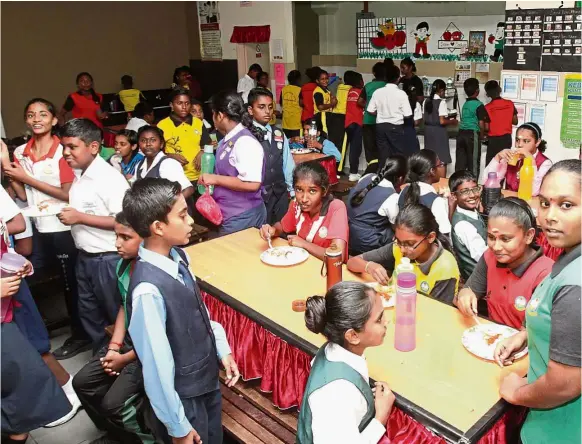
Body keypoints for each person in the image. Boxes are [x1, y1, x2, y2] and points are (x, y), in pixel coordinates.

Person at [123, 178, 240, 444]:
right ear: (158, 227)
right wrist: (178, 427)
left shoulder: (179, 257)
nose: (190, 222)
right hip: (182, 399)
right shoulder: (148, 290)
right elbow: (156, 365)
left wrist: (222, 348)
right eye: (183, 215)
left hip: (205, 382)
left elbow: (198, 313)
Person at [495, 160, 581, 444]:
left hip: (560, 431)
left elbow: (564, 385)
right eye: (544, 204)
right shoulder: (569, 256)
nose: (550, 216)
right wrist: (527, 334)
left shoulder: (575, 285)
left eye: (566, 205)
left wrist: (515, 392)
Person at [3, 98, 92, 359]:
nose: (37, 119)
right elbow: (22, 192)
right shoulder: (20, 152)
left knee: (71, 284)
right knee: (28, 275)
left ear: (54, 120)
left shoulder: (62, 151)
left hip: (63, 225)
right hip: (37, 226)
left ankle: (81, 335)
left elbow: (67, 194)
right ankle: (38, 332)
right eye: (31, 115)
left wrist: (26, 178)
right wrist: (11, 172)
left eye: (43, 114)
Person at [1, 188, 81, 432]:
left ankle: (65, 394)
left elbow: (15, 224)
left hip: (8, 283)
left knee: (31, 339)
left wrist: (11, 256)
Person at [72, 212, 156, 444]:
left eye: (125, 237)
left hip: (148, 350)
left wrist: (125, 358)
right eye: (116, 235)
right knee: (82, 383)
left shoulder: (154, 274)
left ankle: (147, 438)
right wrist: (114, 347)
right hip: (130, 342)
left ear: (147, 237)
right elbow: (124, 307)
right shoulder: (123, 266)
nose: (117, 243)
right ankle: (116, 433)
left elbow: (160, 337)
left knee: (114, 404)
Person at [56, 118, 130, 351]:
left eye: (72, 147)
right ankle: (102, 359)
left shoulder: (109, 179)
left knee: (113, 313)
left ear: (93, 147)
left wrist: (79, 218)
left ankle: (122, 360)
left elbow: (124, 221)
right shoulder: (79, 174)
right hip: (86, 257)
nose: (66, 153)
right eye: (63, 147)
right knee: (89, 312)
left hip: (107, 258)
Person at [296, 281, 395, 443]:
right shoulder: (337, 393)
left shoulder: (333, 350)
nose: (386, 321)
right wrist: (380, 417)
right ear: (353, 336)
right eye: (379, 319)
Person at [455, 197, 553, 328]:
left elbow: (543, 330)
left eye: (505, 239)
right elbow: (469, 290)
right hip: (490, 339)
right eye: (491, 237)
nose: (496, 247)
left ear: (529, 235)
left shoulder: (546, 273)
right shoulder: (490, 257)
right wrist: (465, 294)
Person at [347, 204, 459, 303]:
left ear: (430, 237)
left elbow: (437, 313)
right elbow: (352, 262)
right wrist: (369, 266)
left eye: (410, 244)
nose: (402, 250)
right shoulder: (398, 247)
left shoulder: (445, 268)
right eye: (399, 241)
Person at [198, 90, 266, 235]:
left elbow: (252, 183)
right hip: (229, 213)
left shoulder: (244, 141)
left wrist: (215, 179)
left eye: (213, 114)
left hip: (243, 215)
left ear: (220, 115)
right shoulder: (227, 139)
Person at [259, 161, 349, 261]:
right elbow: (283, 226)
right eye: (299, 190)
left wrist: (304, 244)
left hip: (328, 271)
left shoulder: (336, 208)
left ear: (324, 191)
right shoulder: (296, 204)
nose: (304, 199)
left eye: (312, 191)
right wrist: (273, 230)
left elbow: (337, 256)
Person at [248, 88, 295, 225]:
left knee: (282, 229)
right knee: (261, 232)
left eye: (270, 107)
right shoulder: (246, 135)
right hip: (259, 195)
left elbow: (287, 163)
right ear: (251, 110)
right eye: (261, 107)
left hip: (280, 191)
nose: (267, 111)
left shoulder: (278, 133)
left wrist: (291, 191)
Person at [347, 156, 407, 256]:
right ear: (400, 178)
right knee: (401, 233)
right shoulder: (391, 197)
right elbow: (395, 226)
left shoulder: (367, 176)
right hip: (366, 243)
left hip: (348, 233)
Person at [157, 88, 211, 191]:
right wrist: (170, 156)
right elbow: (156, 153)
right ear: (172, 105)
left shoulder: (198, 123)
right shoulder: (162, 125)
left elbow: (207, 144)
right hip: (175, 178)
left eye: (187, 103)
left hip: (199, 177)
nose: (184, 107)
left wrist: (202, 152)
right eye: (179, 103)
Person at [484, 122, 551, 196]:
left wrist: (531, 160)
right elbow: (486, 181)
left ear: (537, 142)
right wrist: (497, 157)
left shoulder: (545, 163)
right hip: (510, 203)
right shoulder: (512, 158)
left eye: (526, 141)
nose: (519, 145)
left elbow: (534, 192)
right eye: (517, 140)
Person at [367, 65, 412, 169]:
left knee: (383, 156)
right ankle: (397, 179)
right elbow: (408, 114)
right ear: (398, 78)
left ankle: (382, 179)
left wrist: (382, 114)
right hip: (396, 127)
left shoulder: (377, 92)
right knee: (398, 156)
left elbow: (370, 110)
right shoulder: (401, 94)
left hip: (380, 127)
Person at [133, 126, 194, 199]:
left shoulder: (168, 164)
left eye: (153, 140)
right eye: (143, 140)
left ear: (161, 144)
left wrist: (172, 208)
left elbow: (188, 189)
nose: (148, 144)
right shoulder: (139, 165)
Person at [449, 170, 487, 281]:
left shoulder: (470, 212)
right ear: (454, 196)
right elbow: (483, 257)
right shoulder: (463, 225)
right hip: (478, 277)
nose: (472, 195)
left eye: (475, 189)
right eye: (465, 192)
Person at [456, 78, 489, 175]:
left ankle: (458, 184)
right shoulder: (479, 105)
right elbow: (481, 124)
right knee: (473, 163)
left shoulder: (465, 104)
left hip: (461, 134)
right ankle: (473, 186)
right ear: (477, 91)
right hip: (472, 135)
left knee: (460, 163)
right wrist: (482, 136)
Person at [358, 63, 386, 173]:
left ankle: (370, 172)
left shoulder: (368, 86)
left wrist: (369, 106)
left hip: (368, 121)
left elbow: (359, 101)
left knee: (369, 149)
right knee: (381, 148)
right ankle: (381, 171)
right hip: (382, 122)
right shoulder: (386, 86)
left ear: (374, 73)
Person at [423, 79, 458, 169]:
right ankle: (441, 179)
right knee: (441, 158)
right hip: (438, 132)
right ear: (441, 90)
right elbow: (442, 121)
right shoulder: (441, 102)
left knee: (430, 158)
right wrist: (452, 121)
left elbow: (425, 117)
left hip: (428, 131)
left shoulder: (426, 101)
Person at [484, 80, 518, 165]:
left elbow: (486, 127)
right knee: (504, 163)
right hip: (506, 139)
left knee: (491, 165)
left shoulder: (487, 108)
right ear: (500, 90)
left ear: (487, 94)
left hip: (493, 141)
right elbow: (515, 121)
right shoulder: (510, 104)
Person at [326, 72, 353, 162]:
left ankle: (331, 165)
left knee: (333, 142)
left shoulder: (338, 86)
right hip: (344, 116)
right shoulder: (352, 89)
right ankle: (339, 168)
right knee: (343, 143)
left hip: (333, 115)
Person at [343, 71, 364, 181]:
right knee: (356, 148)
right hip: (357, 122)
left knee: (351, 148)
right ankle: (353, 172)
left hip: (348, 122)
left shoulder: (350, 91)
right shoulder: (360, 92)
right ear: (359, 82)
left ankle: (353, 172)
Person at [313, 69, 338, 136]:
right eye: (322, 79)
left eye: (326, 78)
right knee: (324, 136)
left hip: (326, 116)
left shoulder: (326, 90)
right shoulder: (318, 92)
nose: (325, 81)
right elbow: (320, 107)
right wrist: (332, 104)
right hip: (321, 117)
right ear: (317, 81)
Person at [281, 69, 303, 139]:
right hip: (297, 122)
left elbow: (281, 103)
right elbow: (302, 103)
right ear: (299, 79)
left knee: (287, 144)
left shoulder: (284, 89)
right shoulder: (300, 89)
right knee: (298, 145)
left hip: (285, 123)